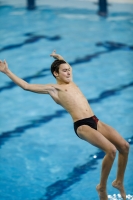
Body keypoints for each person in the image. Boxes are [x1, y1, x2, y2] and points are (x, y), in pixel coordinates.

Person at [0, 50, 129, 200]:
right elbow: (27, 86)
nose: (69, 72)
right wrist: (7, 71)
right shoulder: (54, 89)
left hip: (95, 120)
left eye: (69, 70)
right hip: (82, 125)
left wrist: (58, 58)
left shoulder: (71, 82)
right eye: (65, 71)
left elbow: (65, 65)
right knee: (111, 150)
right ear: (56, 74)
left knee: (124, 147)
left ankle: (118, 181)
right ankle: (101, 187)